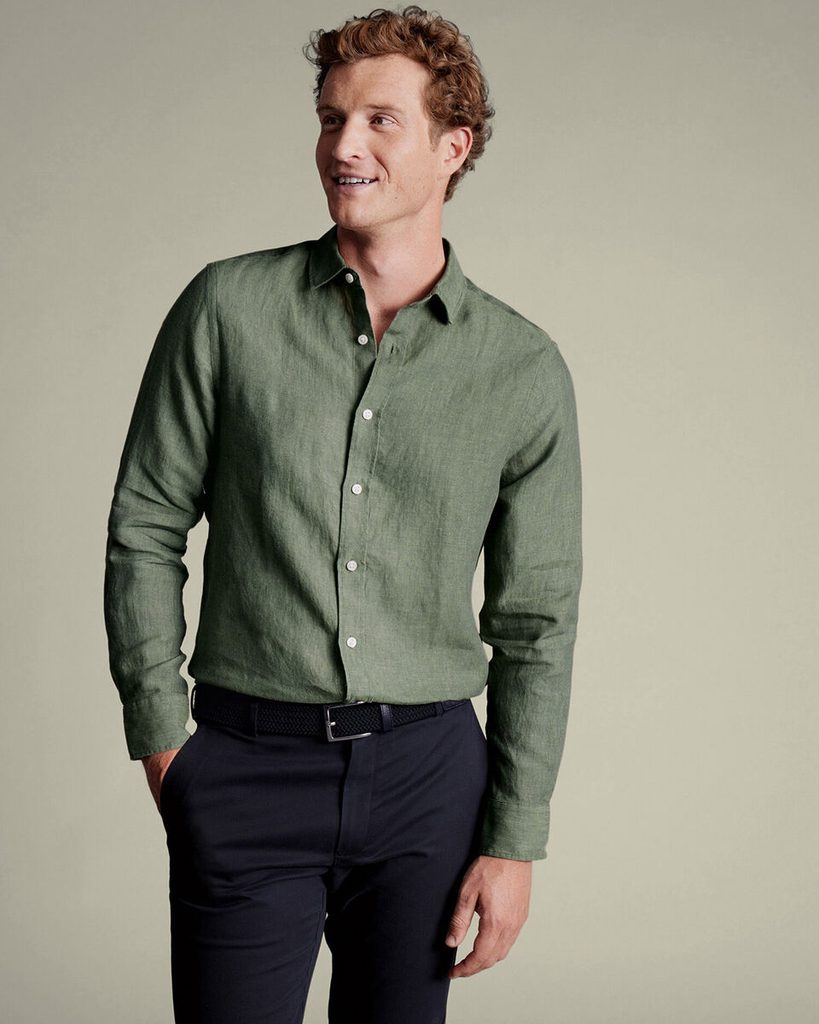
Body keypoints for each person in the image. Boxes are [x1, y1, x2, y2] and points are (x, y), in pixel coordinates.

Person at [103, 5, 583, 1023]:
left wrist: (514, 838)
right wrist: (165, 743)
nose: (342, 146)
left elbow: (535, 620)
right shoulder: (227, 309)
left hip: (429, 784)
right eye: (330, 119)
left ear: (453, 147)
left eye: (378, 120)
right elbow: (145, 522)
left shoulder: (522, 368)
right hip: (244, 764)